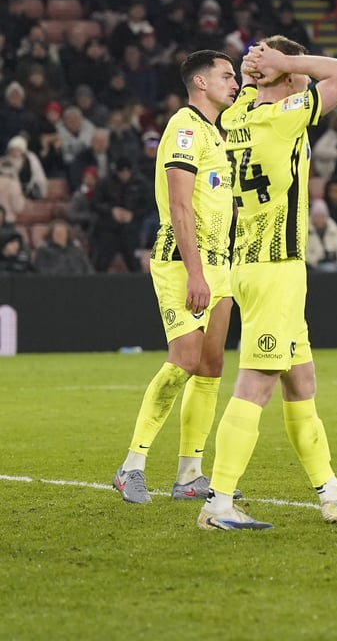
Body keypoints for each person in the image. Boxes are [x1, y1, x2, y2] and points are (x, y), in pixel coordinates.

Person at [198, 37, 337, 531]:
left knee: (301, 382)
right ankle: (217, 502)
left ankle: (331, 492)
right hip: (275, 266)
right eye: (297, 74)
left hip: (255, 264)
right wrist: (283, 63)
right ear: (285, 80)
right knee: (255, 384)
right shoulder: (285, 117)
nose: (305, 78)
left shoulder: (234, 118)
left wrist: (260, 68)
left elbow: (265, 86)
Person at [111, 51, 241, 505]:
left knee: (211, 365)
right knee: (184, 359)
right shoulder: (184, 127)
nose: (235, 82)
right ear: (200, 83)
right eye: (227, 75)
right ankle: (132, 467)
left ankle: (189, 475)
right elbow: (181, 205)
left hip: (221, 263)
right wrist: (195, 273)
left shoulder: (215, 131)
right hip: (184, 261)